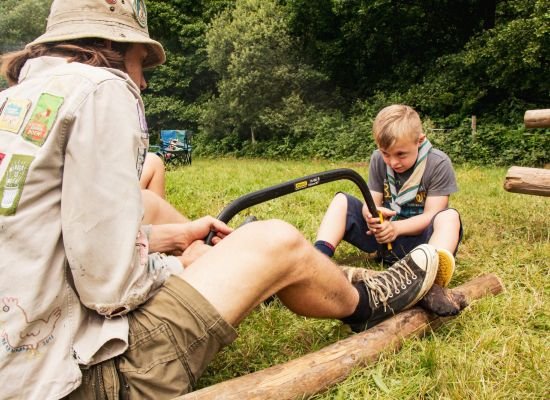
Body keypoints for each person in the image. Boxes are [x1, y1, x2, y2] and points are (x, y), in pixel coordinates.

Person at [0, 2, 450, 399]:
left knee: (149, 207)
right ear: (113, 50)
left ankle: (272, 276)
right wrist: (185, 262)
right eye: (143, 65)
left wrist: (176, 237)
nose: (144, 82)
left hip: (21, 358)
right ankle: (367, 303)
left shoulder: (15, 100)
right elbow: (110, 289)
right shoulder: (103, 89)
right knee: (271, 239)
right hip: (83, 375)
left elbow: (59, 235)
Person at [315, 104, 463, 290]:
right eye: (386, 153)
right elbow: (372, 203)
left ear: (419, 140)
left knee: (449, 217)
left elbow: (431, 215)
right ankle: (317, 259)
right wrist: (371, 216)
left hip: (421, 245)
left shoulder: (438, 163)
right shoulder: (378, 159)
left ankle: (431, 272)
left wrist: (396, 228)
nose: (393, 162)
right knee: (341, 201)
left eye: (401, 154)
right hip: (382, 240)